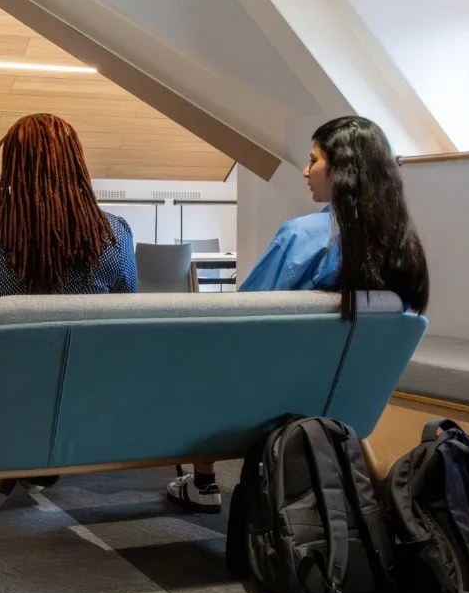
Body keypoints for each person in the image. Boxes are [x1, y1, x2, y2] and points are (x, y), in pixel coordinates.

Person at [166, 115, 430, 514]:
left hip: (273, 391)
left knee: (204, 350)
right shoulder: (402, 245)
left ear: (341, 170)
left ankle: (203, 481)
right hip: (343, 394)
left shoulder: (302, 236)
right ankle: (375, 479)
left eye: (313, 161)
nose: (306, 172)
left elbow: (243, 313)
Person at [0, 113, 139, 511]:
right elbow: (125, 312)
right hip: (84, 388)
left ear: (11, 160)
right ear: (77, 161)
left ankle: (12, 464)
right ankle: (42, 456)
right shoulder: (114, 231)